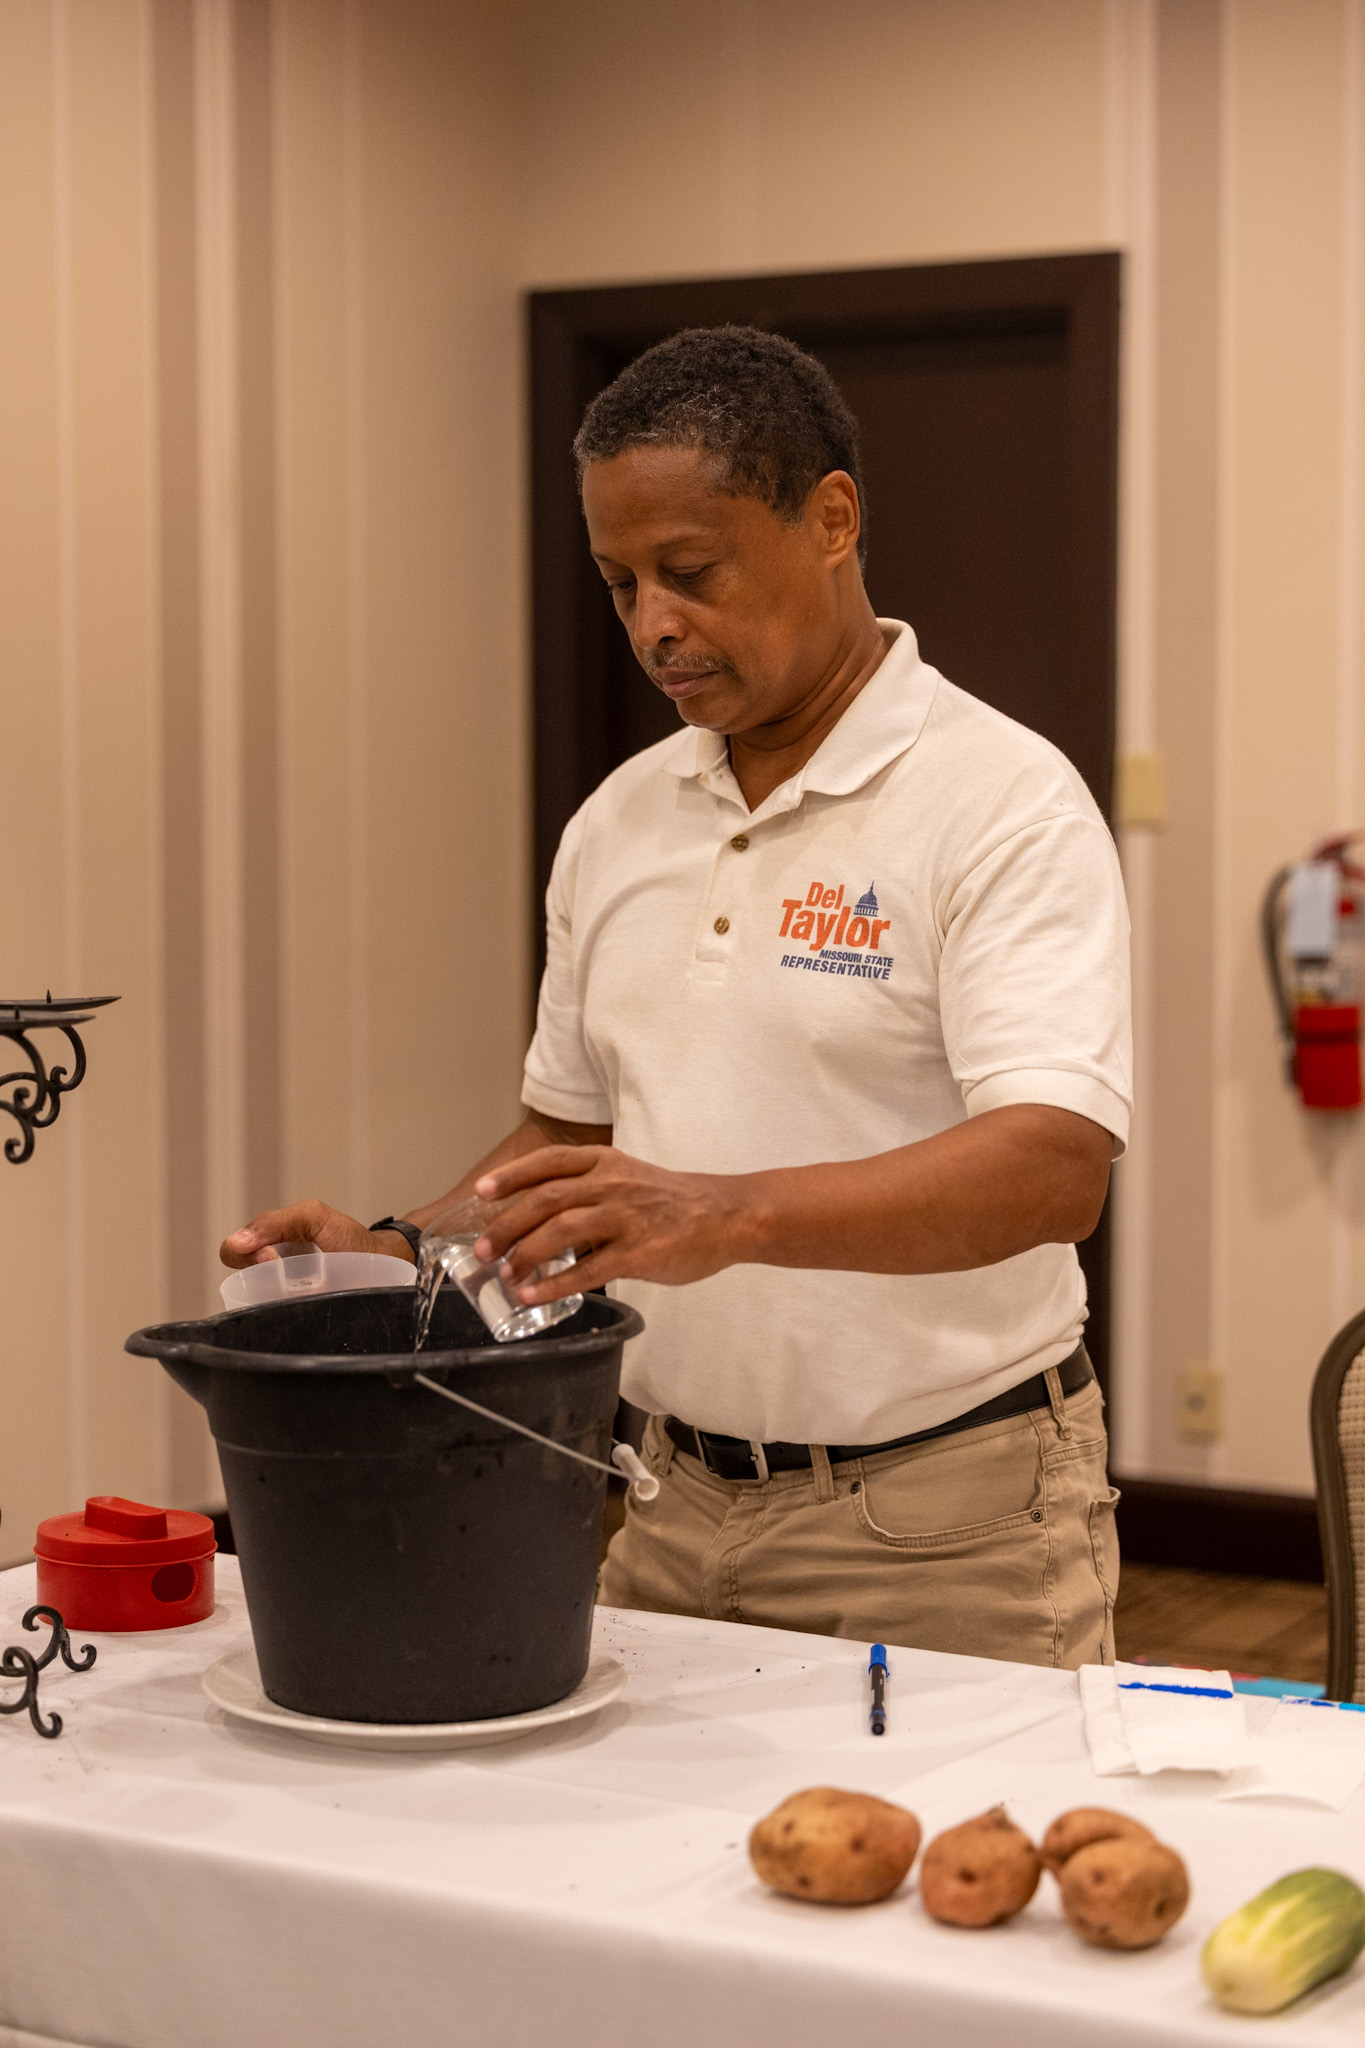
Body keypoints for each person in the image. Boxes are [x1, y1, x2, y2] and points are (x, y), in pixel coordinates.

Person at [223, 326, 1131, 1669]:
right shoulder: (620, 821)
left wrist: (726, 1212)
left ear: (830, 518)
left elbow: (1054, 1170)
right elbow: (572, 1143)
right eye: (619, 581)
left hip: (947, 1527)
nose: (653, 623)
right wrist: (398, 1258)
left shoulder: (999, 800)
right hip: (662, 1502)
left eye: (689, 572)